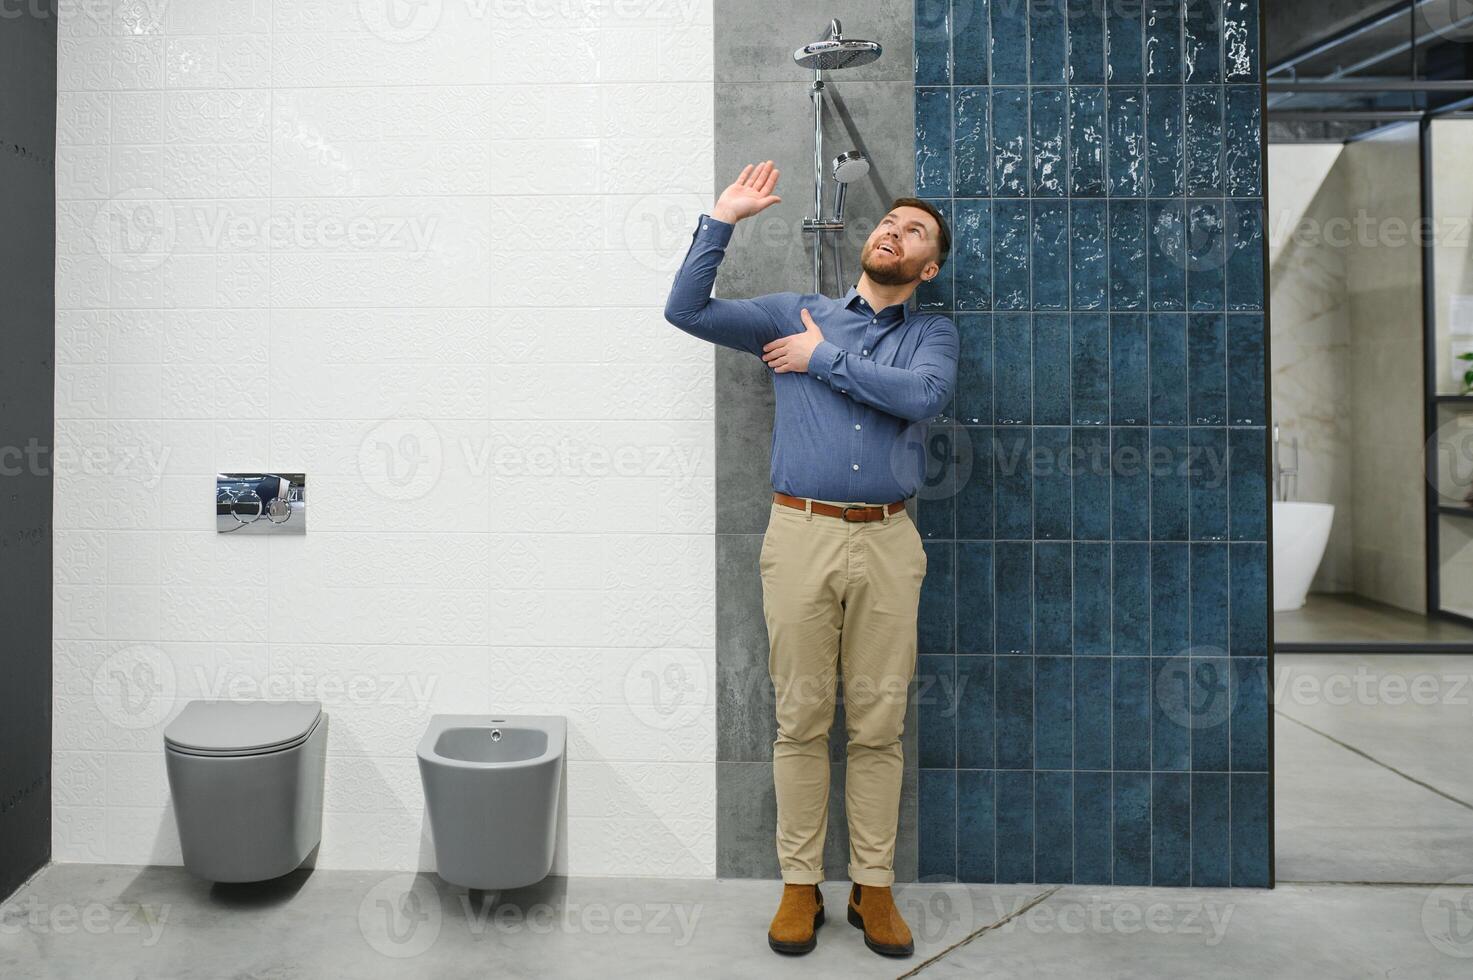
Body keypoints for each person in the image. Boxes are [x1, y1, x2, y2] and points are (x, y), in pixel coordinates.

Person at [664, 161, 958, 958]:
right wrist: (721, 218)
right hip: (799, 534)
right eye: (887, 222)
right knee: (799, 720)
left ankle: (873, 886)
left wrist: (821, 359)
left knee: (878, 726)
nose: (892, 231)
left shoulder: (931, 334)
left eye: (913, 231)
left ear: (926, 267)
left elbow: (921, 399)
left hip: (891, 540)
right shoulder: (792, 311)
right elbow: (684, 310)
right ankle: (800, 885)